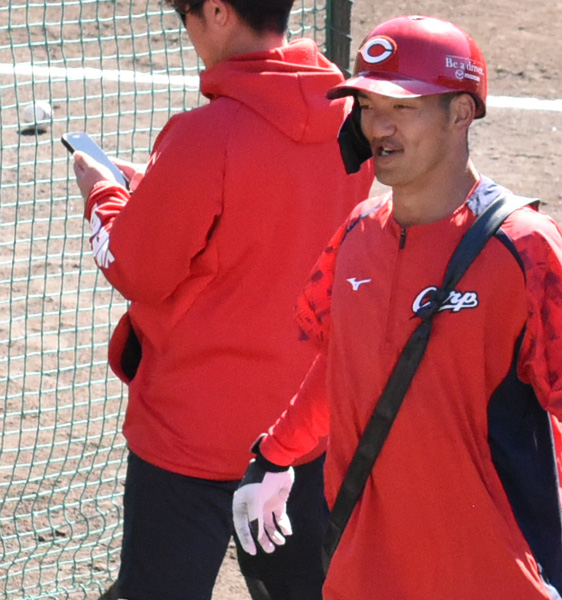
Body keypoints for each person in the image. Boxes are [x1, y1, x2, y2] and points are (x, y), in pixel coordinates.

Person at [231, 15, 562, 600]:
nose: (379, 127)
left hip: (494, 580)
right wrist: (273, 455)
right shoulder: (356, 235)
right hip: (363, 580)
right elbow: (345, 368)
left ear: (462, 113)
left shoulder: (523, 246)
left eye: (403, 107)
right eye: (368, 105)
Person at [69, 0, 373, 598]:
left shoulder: (208, 135)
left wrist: (102, 193)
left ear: (216, 11)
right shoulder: (355, 118)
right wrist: (161, 185)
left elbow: (135, 266)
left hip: (191, 439)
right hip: (305, 429)